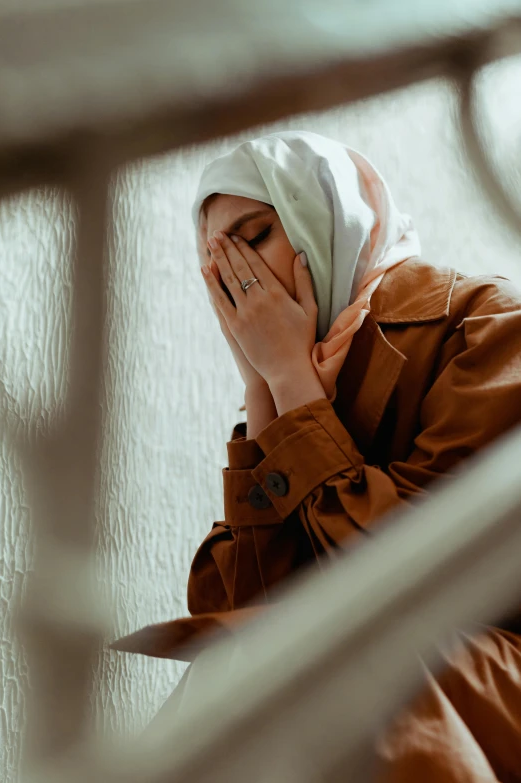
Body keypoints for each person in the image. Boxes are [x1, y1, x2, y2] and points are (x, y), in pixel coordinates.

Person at [112, 131, 521, 780]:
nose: (244, 276)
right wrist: (263, 393)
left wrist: (294, 390)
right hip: (389, 656)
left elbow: (425, 576)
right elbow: (250, 596)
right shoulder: (299, 371)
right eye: (219, 262)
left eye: (256, 234)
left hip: (490, 664)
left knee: (337, 655)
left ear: (323, 215)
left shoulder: (487, 325)